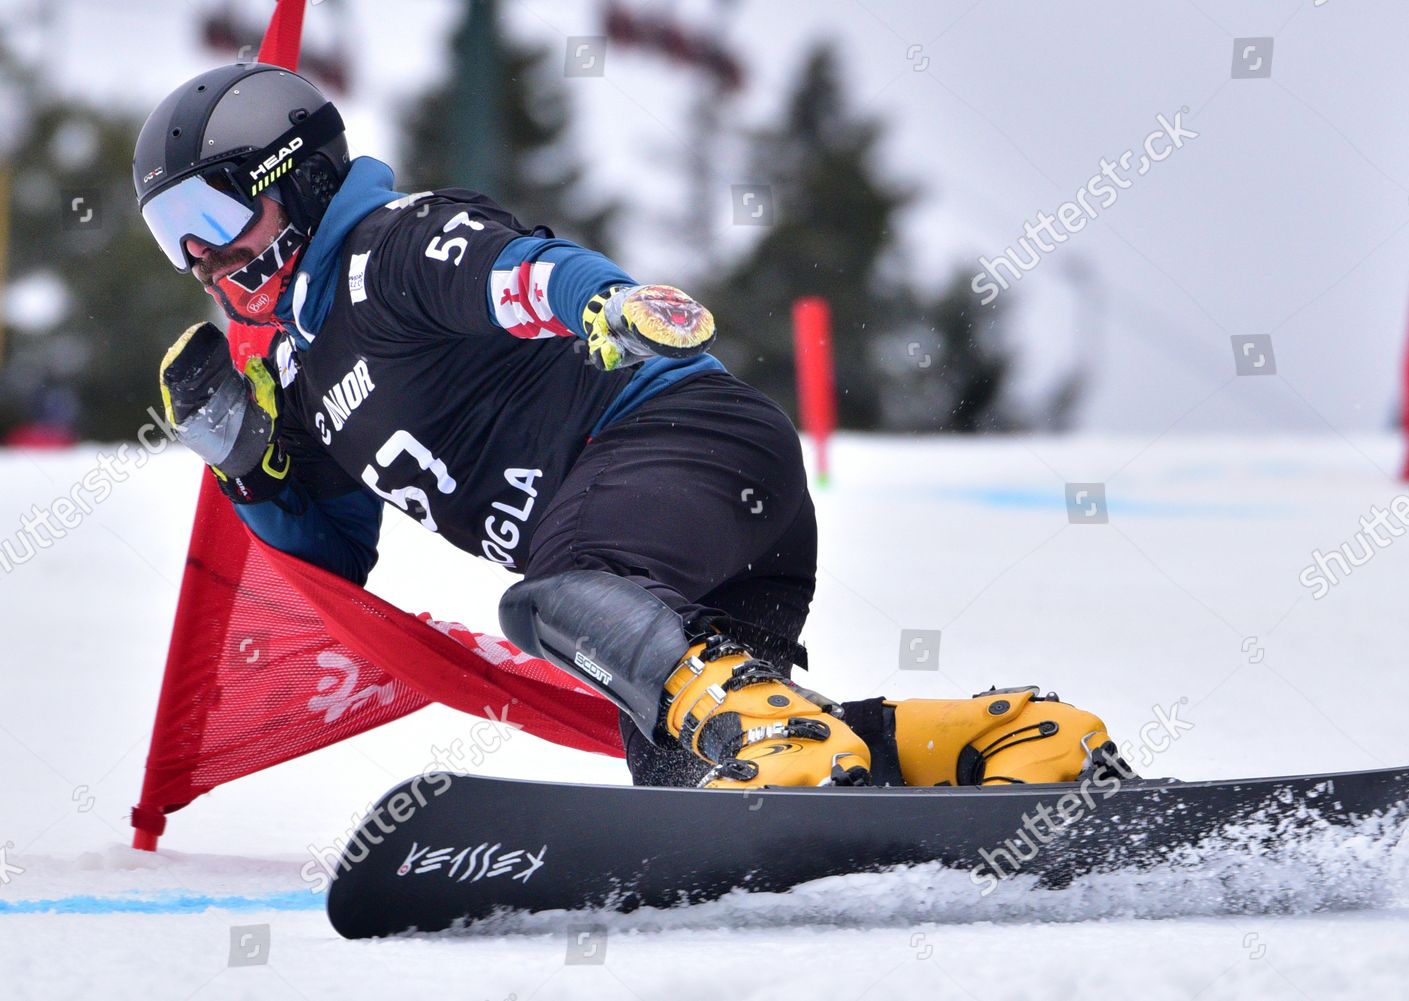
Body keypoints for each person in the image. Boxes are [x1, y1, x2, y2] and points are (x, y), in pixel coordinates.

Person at [135, 63, 1119, 790]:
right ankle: (1012, 740)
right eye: (170, 231)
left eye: (214, 213)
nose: (200, 256)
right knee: (690, 767)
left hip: (672, 439)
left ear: (295, 179)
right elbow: (334, 563)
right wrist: (253, 469)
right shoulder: (303, 381)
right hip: (685, 542)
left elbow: (510, 272)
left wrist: (604, 305)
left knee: (554, 598)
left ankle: (795, 746)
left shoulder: (382, 249)